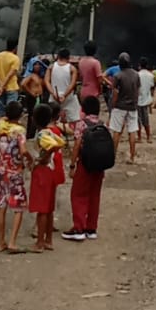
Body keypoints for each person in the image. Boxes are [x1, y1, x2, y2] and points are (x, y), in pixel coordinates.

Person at [63, 95, 113, 241]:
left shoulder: (81, 124)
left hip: (85, 165)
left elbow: (78, 144)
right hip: (99, 165)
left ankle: (79, 227)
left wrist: (72, 165)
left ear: (83, 109)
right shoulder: (103, 124)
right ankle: (91, 228)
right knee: (94, 196)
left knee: (78, 195)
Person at [0, 100, 30, 253]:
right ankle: (12, 242)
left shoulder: (1, 126)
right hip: (15, 171)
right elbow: (22, 150)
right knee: (18, 207)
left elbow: (1, 118)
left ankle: (0, 241)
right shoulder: (19, 130)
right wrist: (30, 157)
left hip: (2, 171)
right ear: (20, 115)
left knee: (1, 206)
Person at [28, 103, 65, 252]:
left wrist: (41, 159)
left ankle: (40, 242)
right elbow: (60, 143)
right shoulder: (51, 133)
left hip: (42, 171)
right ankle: (48, 240)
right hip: (51, 171)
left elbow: (49, 148)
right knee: (49, 208)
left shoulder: (42, 135)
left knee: (41, 209)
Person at [109, 52, 139, 163]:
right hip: (132, 107)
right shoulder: (136, 74)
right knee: (132, 131)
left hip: (119, 106)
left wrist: (113, 105)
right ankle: (132, 157)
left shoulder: (118, 75)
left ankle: (113, 155)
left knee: (116, 131)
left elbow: (115, 92)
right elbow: (137, 91)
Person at [45, 48, 81, 128]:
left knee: (52, 119)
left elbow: (47, 81)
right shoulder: (72, 68)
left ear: (58, 56)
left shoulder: (51, 67)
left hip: (54, 97)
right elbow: (72, 84)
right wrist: (64, 95)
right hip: (68, 98)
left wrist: (53, 93)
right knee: (74, 120)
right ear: (68, 57)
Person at [21, 56, 48, 140]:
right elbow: (23, 84)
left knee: (40, 115)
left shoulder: (41, 77)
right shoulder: (31, 76)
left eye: (38, 64)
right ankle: (30, 135)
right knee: (32, 116)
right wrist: (31, 92)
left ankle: (37, 133)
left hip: (40, 97)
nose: (37, 66)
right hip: (33, 98)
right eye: (35, 64)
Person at [0, 38, 21, 117]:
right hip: (11, 88)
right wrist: (3, 85)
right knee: (11, 112)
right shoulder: (15, 58)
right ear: (15, 47)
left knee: (0, 112)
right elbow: (10, 74)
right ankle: (9, 128)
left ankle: (1, 128)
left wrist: (0, 85)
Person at [137, 58, 155, 143]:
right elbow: (152, 88)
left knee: (138, 120)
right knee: (146, 119)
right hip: (146, 100)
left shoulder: (137, 75)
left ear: (139, 66)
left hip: (137, 100)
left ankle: (139, 137)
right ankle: (148, 137)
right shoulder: (151, 75)